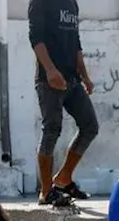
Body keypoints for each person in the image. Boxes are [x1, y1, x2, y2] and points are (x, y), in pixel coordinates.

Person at [29, 0, 99, 207]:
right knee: (51, 129)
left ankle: (64, 178)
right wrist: (50, 70)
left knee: (90, 126)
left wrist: (84, 76)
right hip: (49, 79)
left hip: (72, 79)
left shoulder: (72, 3)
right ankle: (46, 191)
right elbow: (36, 38)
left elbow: (75, 42)